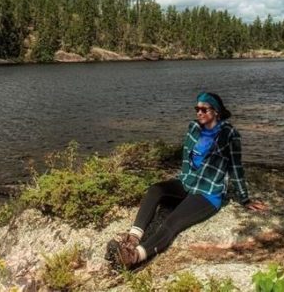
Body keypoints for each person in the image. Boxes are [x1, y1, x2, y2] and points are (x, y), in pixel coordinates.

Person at [105, 91, 266, 269]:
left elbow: (236, 166)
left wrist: (245, 199)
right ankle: (132, 239)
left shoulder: (229, 135)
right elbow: (186, 158)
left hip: (208, 194)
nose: (199, 113)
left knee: (172, 222)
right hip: (188, 183)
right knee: (155, 190)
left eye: (204, 109)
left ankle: (133, 257)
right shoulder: (194, 128)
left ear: (216, 112)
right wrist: (182, 179)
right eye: (197, 109)